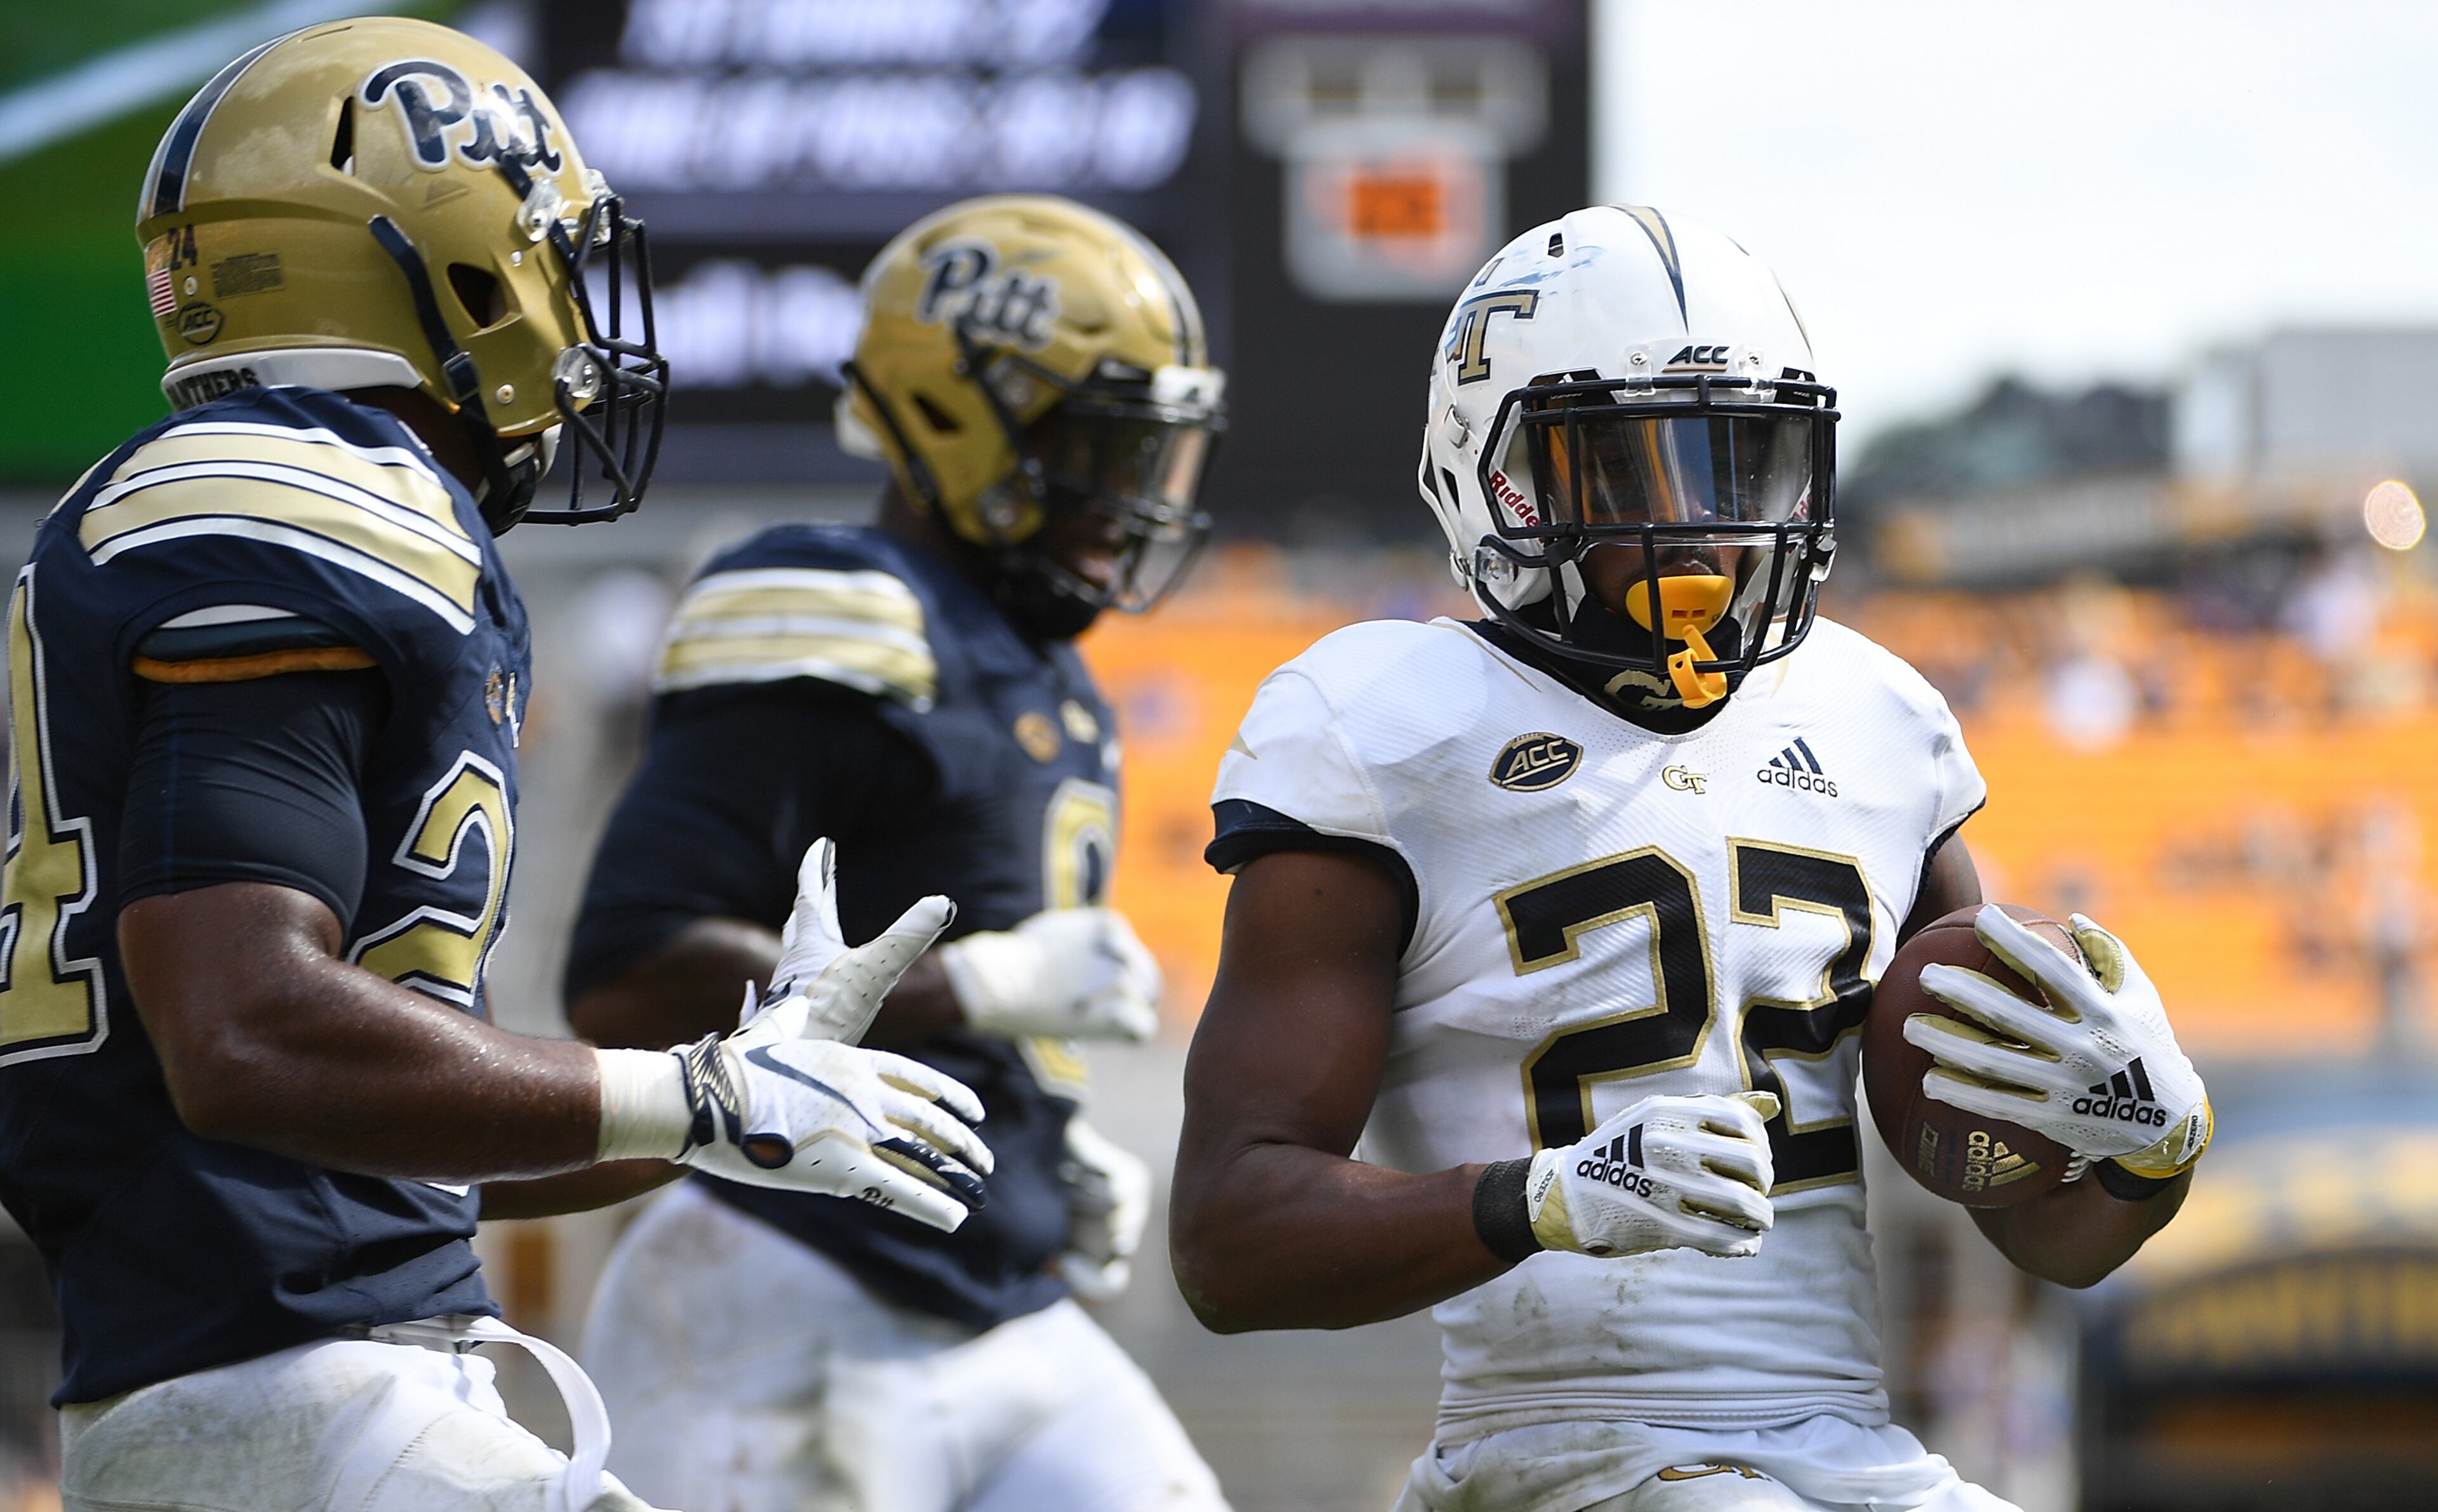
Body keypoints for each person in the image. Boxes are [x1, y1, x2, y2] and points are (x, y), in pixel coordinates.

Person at [1, 20, 990, 1512]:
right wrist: (693, 1098)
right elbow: (244, 1030)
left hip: (294, 1383)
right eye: (548, 261)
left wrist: (737, 1100)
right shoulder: (306, 497)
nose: (575, 317)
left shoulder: (267, 503)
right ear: (447, 267)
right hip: (301, 1403)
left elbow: (397, 1130)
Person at [1168, 206, 2214, 1512]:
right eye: (1636, 473)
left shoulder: (1879, 723)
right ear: (1500, 475)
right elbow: (1229, 1241)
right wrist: (1546, 1197)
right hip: (1557, 1456)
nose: (1704, 527)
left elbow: (2026, 1216)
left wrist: (2142, 1146)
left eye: (1742, 465)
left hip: (1851, 1449)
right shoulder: (1387, 725)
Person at [564, 194, 1232, 1512]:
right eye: (1096, 448)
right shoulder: (835, 609)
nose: (1130, 501)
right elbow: (631, 979)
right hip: (780, 1279)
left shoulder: (1043, 666)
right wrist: (976, 991)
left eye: (1151, 455)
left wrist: (1041, 1145)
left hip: (995, 1301)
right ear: (954, 418)